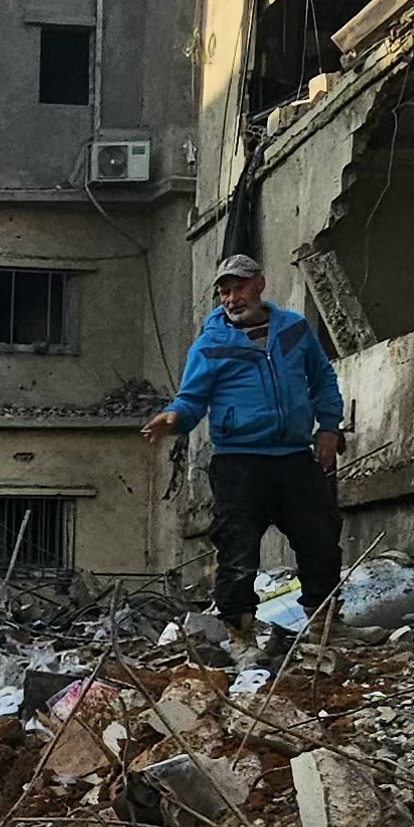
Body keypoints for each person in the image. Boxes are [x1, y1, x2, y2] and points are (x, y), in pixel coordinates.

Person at [148, 251, 348, 668]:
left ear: (259, 283)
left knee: (321, 542)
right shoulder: (211, 343)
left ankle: (324, 625)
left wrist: (328, 427)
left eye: (238, 287)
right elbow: (192, 398)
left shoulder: (293, 328)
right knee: (238, 554)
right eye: (223, 291)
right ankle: (241, 637)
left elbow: (322, 377)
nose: (230, 298)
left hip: (294, 457)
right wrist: (175, 418)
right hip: (240, 463)